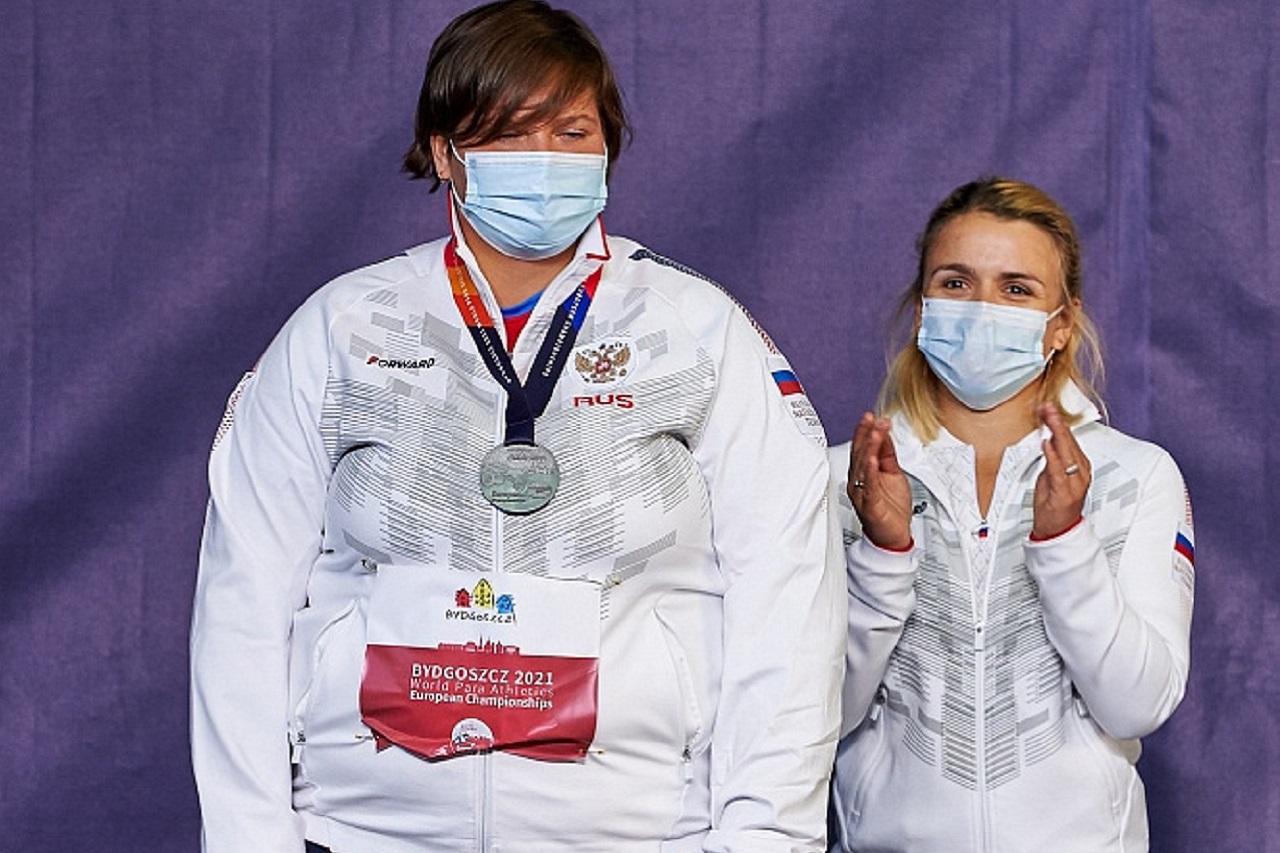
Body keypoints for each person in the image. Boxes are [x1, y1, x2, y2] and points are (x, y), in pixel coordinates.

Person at [189, 2, 844, 851]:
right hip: (363, 829)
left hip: (638, 832)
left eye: (572, 132)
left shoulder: (697, 331)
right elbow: (242, 601)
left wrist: (765, 840)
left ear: (607, 149)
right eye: (508, 133)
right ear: (444, 153)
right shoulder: (342, 328)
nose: (545, 159)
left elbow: (788, 600)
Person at [828, 178, 1195, 852]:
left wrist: (1066, 543)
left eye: (1016, 289)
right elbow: (816, 716)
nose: (982, 310)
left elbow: (1138, 704)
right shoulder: (843, 479)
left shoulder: (1135, 475)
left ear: (1061, 324)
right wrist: (882, 557)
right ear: (921, 311)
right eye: (956, 282)